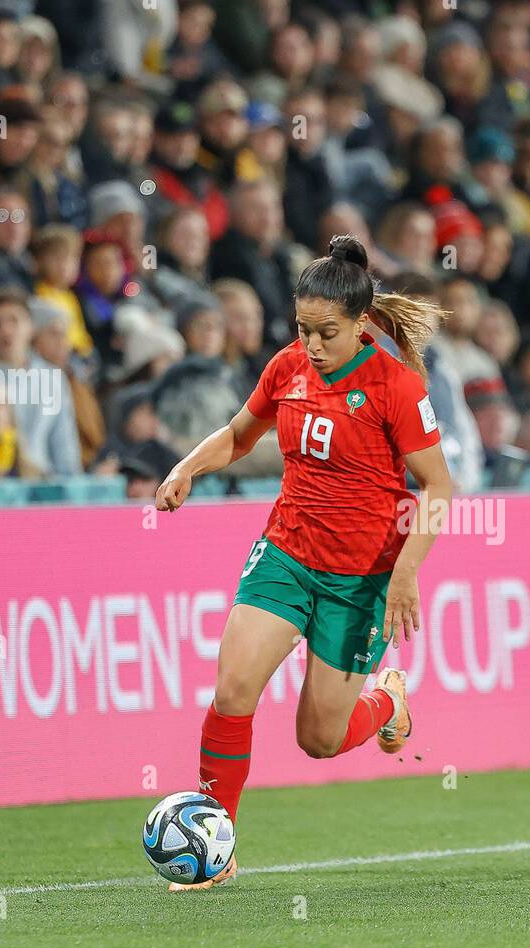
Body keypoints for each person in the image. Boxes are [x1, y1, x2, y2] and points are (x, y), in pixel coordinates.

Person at [154, 235, 453, 892]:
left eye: (328, 332)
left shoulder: (395, 387)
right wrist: (187, 468)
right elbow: (240, 433)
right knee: (232, 691)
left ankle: (387, 699)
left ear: (361, 323)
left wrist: (405, 573)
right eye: (303, 329)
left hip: (360, 579)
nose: (313, 345)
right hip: (286, 554)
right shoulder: (288, 366)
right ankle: (217, 844)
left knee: (318, 739)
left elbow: (440, 487)